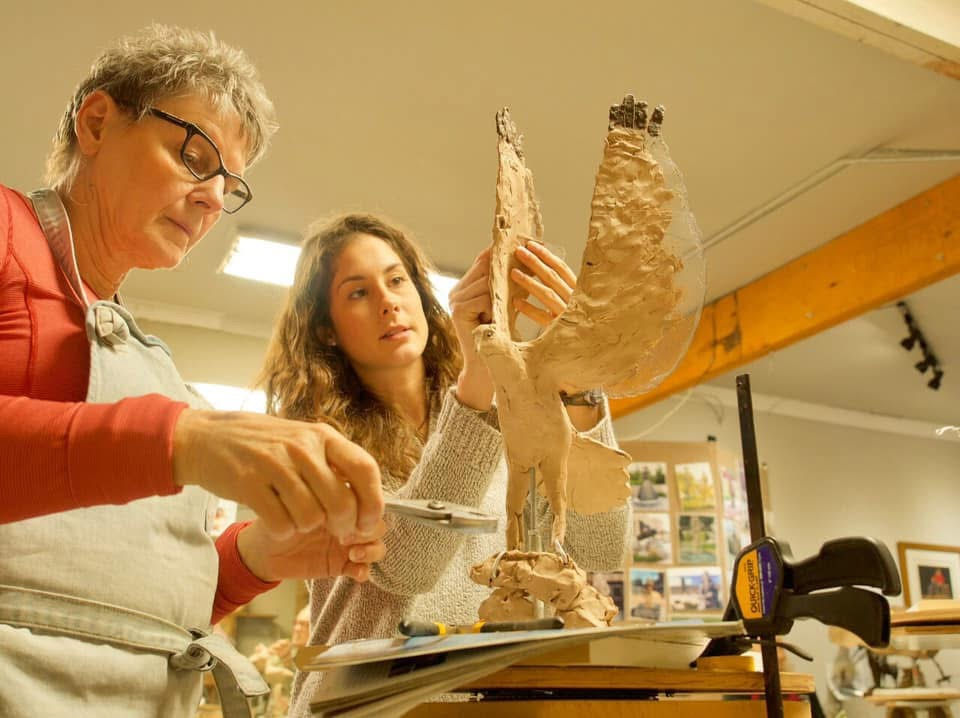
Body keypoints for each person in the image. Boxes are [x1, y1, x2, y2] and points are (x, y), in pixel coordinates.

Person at [0, 25, 387, 718]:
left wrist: (261, 555)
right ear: (96, 122)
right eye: (193, 156)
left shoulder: (156, 372)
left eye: (228, 182)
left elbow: (124, 611)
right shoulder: (5, 232)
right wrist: (183, 441)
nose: (213, 198)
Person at [256, 214, 630, 716]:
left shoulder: (506, 410)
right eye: (358, 293)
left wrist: (578, 376)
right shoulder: (316, 441)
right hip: (365, 708)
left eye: (396, 280)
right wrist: (479, 382)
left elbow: (600, 545)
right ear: (325, 328)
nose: (388, 300)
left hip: (488, 705)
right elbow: (408, 566)